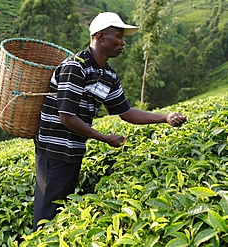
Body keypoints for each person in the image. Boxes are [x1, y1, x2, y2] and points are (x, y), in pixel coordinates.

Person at [33, 12, 187, 231]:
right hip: (53, 151)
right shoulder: (75, 68)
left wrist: (165, 118)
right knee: (45, 215)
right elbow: (66, 117)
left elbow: (125, 112)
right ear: (101, 36)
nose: (123, 42)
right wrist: (104, 138)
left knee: (60, 212)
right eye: (119, 36)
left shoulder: (108, 75)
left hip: (74, 150)